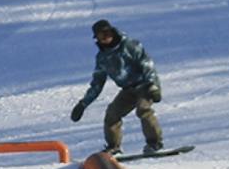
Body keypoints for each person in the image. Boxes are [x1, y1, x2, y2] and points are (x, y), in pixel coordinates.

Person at [70, 19, 164, 156]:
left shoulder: (130, 46)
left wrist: (153, 86)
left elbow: (147, 64)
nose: (105, 38)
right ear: (97, 39)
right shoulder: (102, 58)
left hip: (145, 85)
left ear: (113, 31)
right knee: (112, 114)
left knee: (143, 109)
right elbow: (97, 83)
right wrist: (83, 104)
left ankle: (155, 143)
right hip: (128, 90)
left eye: (107, 33)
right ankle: (113, 147)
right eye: (101, 36)